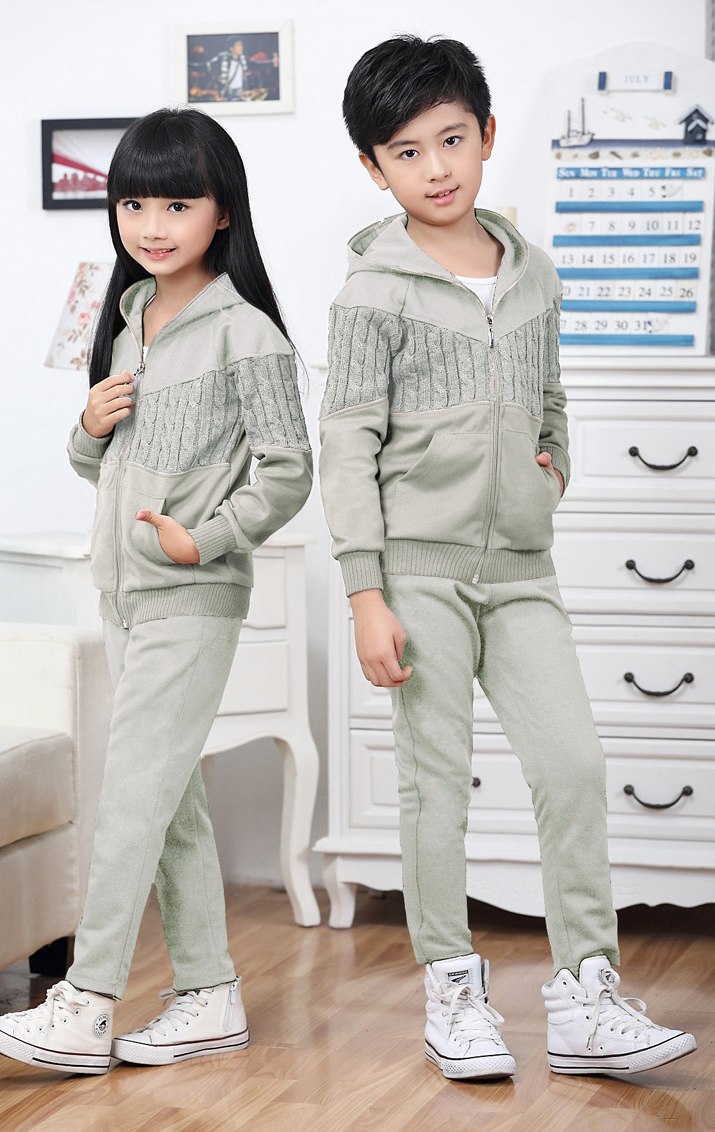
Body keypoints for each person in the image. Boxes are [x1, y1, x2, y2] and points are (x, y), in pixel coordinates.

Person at [318, 35, 697, 1082]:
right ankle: (452, 987)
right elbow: (345, 442)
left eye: (451, 139)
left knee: (572, 764)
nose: (435, 168)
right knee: (435, 782)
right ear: (374, 169)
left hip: (522, 568)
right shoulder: (371, 293)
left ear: (486, 135)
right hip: (416, 570)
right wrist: (365, 593)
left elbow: (551, 397)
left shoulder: (535, 273)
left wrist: (550, 472)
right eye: (406, 152)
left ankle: (585, 993)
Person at [0, 107, 313, 1075]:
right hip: (122, 594)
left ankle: (86, 1002)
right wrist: (87, 424)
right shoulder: (126, 320)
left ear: (222, 212)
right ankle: (208, 994)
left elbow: (288, 471)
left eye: (177, 204)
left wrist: (206, 539)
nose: (151, 226)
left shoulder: (247, 335)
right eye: (132, 204)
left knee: (130, 794)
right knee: (171, 800)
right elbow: (102, 467)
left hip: (192, 594)